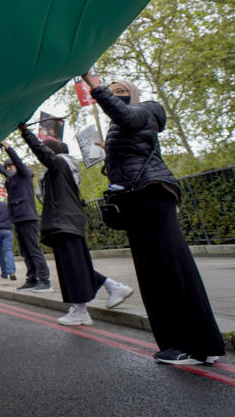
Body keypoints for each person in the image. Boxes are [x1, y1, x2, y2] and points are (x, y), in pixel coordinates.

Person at [83, 73, 225, 365]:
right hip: (134, 200)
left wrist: (93, 83)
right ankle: (176, 342)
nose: (116, 94)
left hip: (152, 195)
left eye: (121, 90)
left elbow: (125, 115)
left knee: (171, 267)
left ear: (132, 93)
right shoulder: (120, 124)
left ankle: (198, 344)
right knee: (152, 273)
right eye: (112, 91)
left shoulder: (147, 109)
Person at [18, 124, 133, 326]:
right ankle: (113, 287)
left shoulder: (59, 164)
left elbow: (42, 153)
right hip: (68, 220)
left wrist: (26, 133)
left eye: (47, 148)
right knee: (75, 265)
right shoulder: (66, 169)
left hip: (64, 221)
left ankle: (81, 311)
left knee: (72, 266)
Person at [0, 143, 52, 292]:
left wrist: (7, 147)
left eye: (11, 167)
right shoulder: (11, 179)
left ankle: (44, 280)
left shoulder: (24, 174)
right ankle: (32, 279)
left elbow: (17, 161)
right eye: (7, 167)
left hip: (28, 217)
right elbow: (1, 169)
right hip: (17, 218)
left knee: (34, 250)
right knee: (25, 251)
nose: (9, 169)